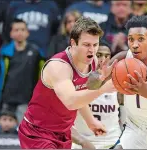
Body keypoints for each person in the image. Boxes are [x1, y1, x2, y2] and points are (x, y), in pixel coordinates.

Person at [87, 15, 147, 149]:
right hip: (135, 129)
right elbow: (90, 86)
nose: (134, 45)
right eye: (130, 39)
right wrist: (100, 77)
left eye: (141, 39)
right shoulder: (122, 59)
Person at [18, 17, 117, 149]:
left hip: (64, 132)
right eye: (86, 45)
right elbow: (71, 101)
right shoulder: (59, 67)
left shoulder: (92, 61)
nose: (92, 50)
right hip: (38, 132)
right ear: (73, 43)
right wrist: (102, 89)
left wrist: (91, 121)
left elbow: (80, 94)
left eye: (95, 45)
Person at [72, 40, 124, 149]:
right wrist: (82, 142)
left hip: (112, 143)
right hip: (82, 144)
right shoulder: (77, 82)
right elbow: (63, 124)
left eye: (107, 56)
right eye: (99, 55)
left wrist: (123, 143)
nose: (103, 60)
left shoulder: (118, 85)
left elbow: (126, 121)